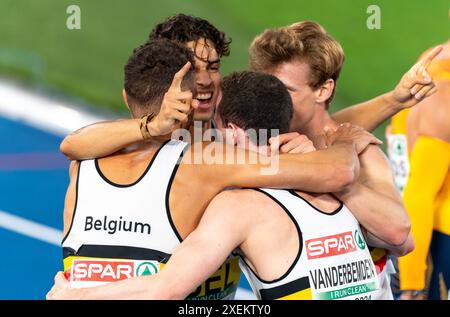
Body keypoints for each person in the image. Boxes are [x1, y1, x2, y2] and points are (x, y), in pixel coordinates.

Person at [54, 38, 376, 300]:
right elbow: (339, 171)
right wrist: (342, 141)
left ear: (126, 96)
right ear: (193, 101)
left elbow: (71, 144)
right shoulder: (210, 163)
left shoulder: (81, 168)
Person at [58, 14, 437, 161]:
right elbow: (72, 144)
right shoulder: (139, 137)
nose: (205, 81)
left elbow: (324, 129)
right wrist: (152, 128)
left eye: (214, 68)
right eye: (193, 69)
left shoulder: (232, 128)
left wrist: (394, 99)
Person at [246, 21, 436, 296]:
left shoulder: (361, 152)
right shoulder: (260, 139)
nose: (269, 98)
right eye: (265, 85)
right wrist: (394, 100)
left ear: (323, 90)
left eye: (285, 90)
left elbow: (400, 236)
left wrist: (331, 174)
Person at [387, 29, 450, 300]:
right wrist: (412, 283)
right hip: (437, 242)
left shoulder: (429, 61)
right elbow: (420, 192)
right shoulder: (444, 94)